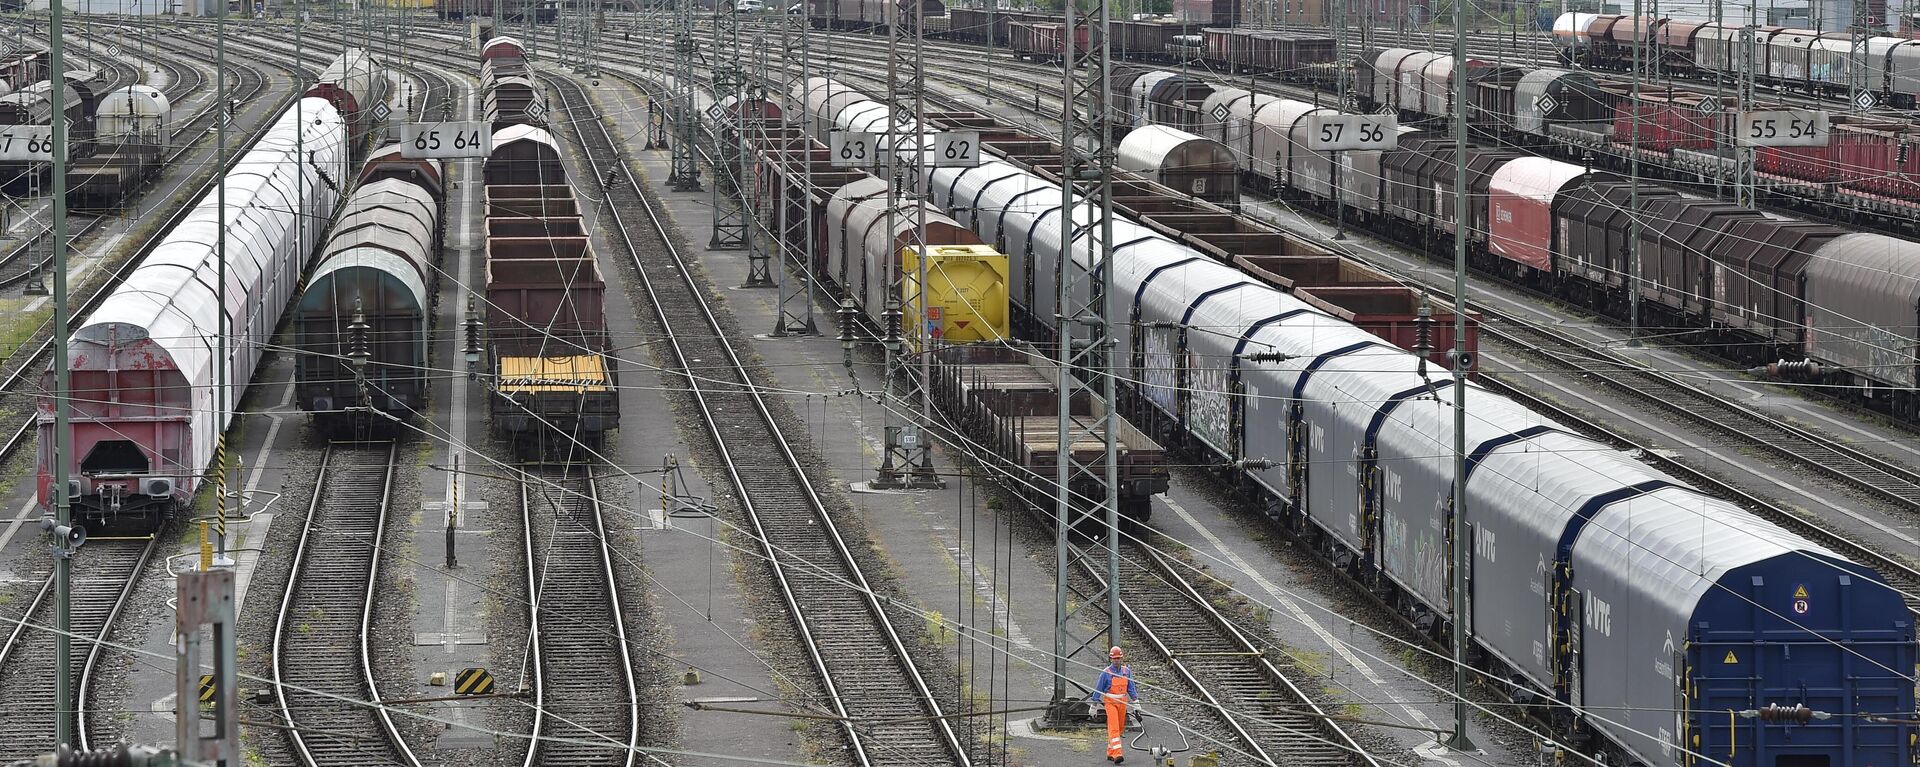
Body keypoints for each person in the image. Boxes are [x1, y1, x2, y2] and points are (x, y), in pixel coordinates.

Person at [1092, 646, 1138, 763]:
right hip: (1110, 702)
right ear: (1111, 659)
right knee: (1114, 728)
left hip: (1122, 703)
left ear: (1121, 658)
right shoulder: (1105, 673)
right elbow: (1098, 689)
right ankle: (1117, 754)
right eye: (1114, 658)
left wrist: (1135, 702)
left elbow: (1131, 688)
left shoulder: (1126, 671)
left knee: (1120, 728)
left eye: (1118, 658)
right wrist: (1094, 705)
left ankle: (1110, 752)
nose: (1117, 660)